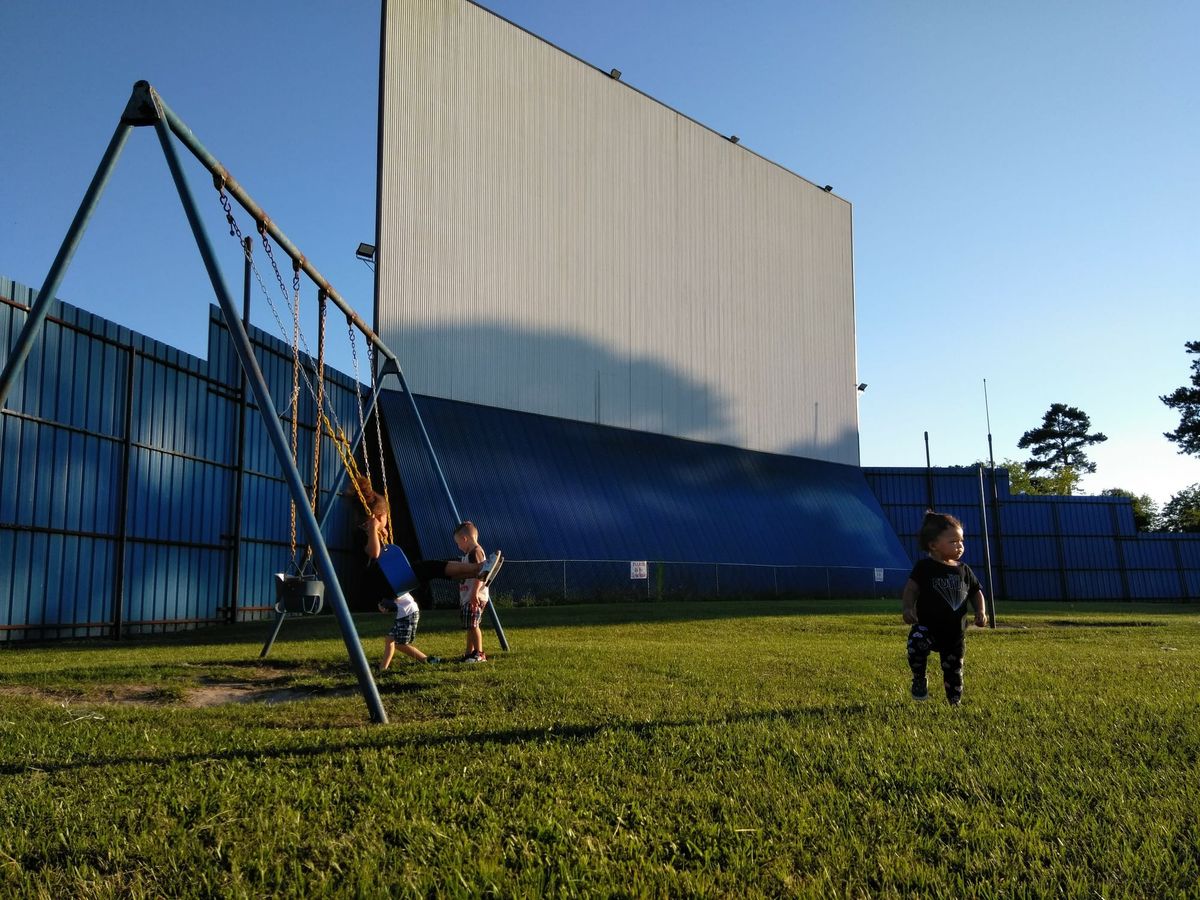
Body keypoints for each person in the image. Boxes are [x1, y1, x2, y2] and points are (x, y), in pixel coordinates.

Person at [901, 510, 988, 706]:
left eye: (961, 541)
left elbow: (976, 592)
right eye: (953, 541)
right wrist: (907, 608)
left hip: (955, 634)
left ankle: (954, 702)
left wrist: (981, 611)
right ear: (933, 545)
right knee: (915, 645)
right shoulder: (925, 567)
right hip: (927, 628)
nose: (960, 545)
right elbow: (911, 589)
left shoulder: (964, 570)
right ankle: (919, 678)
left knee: (954, 669)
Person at [453, 521, 493, 663]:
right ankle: (469, 653)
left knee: (473, 625)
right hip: (469, 596)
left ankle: (479, 653)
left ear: (464, 539)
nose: (459, 547)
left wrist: (474, 593)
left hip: (474, 596)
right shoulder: (471, 553)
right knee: (470, 625)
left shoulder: (475, 552)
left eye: (458, 543)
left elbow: (480, 574)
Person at [377, 590, 439, 670]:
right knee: (390, 639)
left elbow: (392, 596)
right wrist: (383, 604)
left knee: (400, 643)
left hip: (408, 613)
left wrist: (384, 604)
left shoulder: (392, 586)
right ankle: (382, 668)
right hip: (404, 613)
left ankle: (427, 660)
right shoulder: (393, 584)